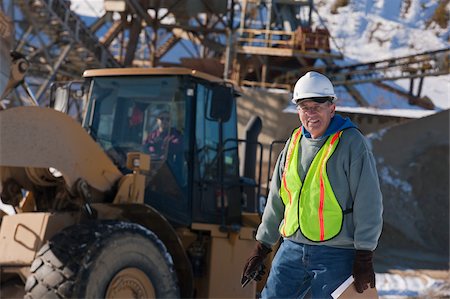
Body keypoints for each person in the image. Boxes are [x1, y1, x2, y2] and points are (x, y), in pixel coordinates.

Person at [241, 71, 383, 298]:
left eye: (317, 105)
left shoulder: (351, 143)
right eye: (305, 107)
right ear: (298, 111)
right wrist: (263, 245)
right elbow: (277, 197)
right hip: (292, 248)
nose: (311, 113)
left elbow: (369, 201)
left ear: (332, 108)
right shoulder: (293, 142)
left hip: (336, 253)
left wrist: (365, 253)